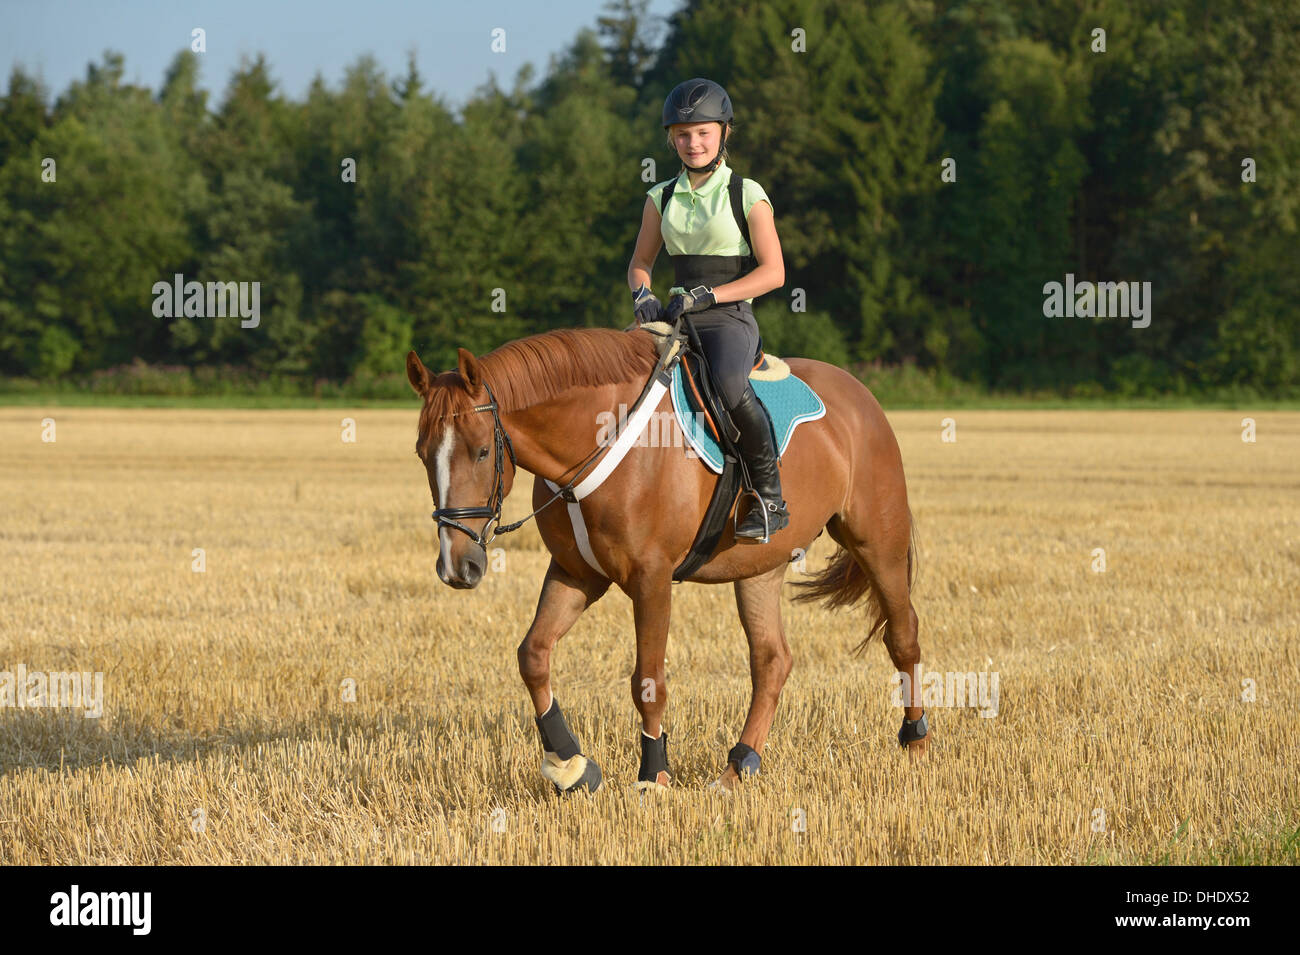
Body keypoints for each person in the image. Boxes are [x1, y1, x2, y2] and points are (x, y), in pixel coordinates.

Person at [627, 77, 789, 542]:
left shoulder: (746, 193)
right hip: (675, 315)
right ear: (670, 138)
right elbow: (640, 262)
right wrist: (643, 294)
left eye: (702, 132)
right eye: (681, 134)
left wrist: (711, 296)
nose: (692, 142)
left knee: (731, 384)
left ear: (724, 132)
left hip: (729, 317)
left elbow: (774, 271)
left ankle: (770, 497)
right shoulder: (660, 197)